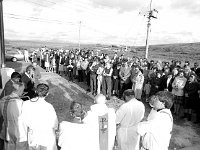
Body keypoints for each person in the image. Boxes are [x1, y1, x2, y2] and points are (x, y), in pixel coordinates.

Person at [21, 83, 58, 150]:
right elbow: (55, 125)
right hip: (47, 137)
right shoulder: (49, 106)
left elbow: (23, 121)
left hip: (33, 136)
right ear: (47, 94)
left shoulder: (25, 103)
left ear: (35, 91)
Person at [0, 83, 28, 150]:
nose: (23, 92)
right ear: (18, 90)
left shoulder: (2, 101)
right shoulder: (21, 103)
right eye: (22, 90)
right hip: (19, 132)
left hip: (6, 131)